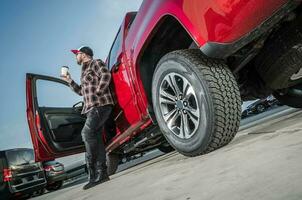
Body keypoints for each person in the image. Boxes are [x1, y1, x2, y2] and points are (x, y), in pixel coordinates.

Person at [61, 46, 114, 190]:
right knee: (95, 138)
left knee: (86, 133)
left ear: (83, 54)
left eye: (76, 54)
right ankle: (102, 174)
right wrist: (69, 81)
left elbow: (106, 75)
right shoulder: (84, 71)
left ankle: (94, 174)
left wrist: (98, 91)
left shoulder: (95, 63)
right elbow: (81, 92)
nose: (75, 57)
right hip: (91, 108)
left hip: (100, 105)